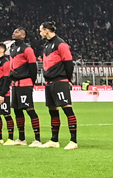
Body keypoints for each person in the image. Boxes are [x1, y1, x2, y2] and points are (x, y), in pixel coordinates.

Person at [39, 21, 78, 150]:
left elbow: (69, 63)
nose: (40, 33)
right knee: (52, 111)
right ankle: (54, 140)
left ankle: (73, 141)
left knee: (67, 109)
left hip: (60, 81)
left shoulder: (61, 44)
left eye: (41, 30)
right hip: (49, 82)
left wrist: (68, 79)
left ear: (46, 30)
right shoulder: (46, 45)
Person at [6, 28, 42, 147]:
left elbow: (32, 67)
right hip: (15, 84)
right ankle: (22, 138)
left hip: (25, 83)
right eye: (14, 31)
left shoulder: (27, 49)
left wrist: (31, 82)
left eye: (17, 32)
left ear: (23, 35)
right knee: (17, 110)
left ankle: (37, 139)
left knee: (29, 109)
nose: (13, 33)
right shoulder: (12, 48)